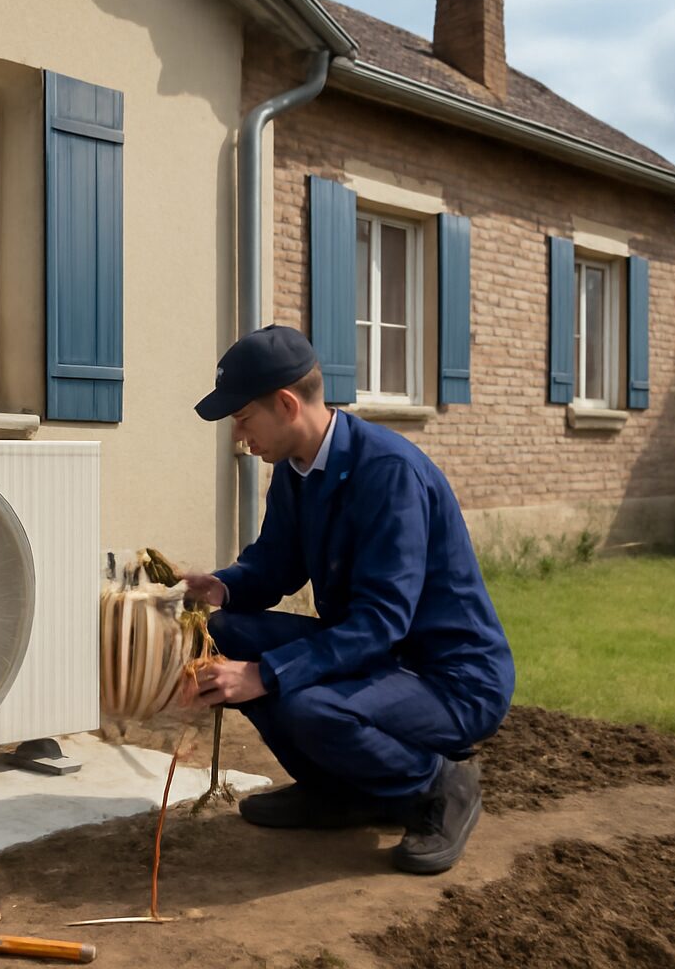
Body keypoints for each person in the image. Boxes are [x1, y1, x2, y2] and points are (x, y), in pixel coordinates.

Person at [182, 324, 515, 874]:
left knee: (309, 705)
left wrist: (265, 674)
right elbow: (274, 564)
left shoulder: (388, 473)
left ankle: (437, 785)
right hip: (377, 659)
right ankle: (338, 790)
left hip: (449, 680)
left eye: (242, 418)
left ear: (286, 404)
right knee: (227, 630)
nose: (238, 436)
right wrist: (222, 587)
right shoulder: (294, 470)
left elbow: (381, 621)